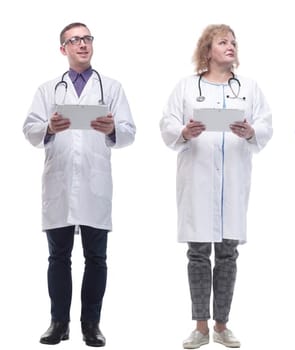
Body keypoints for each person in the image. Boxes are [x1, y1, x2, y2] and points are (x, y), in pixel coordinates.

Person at [160, 24, 273, 349]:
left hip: (234, 181)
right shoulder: (186, 87)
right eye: (223, 42)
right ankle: (200, 327)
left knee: (227, 254)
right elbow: (167, 123)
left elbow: (266, 124)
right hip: (197, 180)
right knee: (197, 254)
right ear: (207, 51)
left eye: (234, 41)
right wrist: (185, 131)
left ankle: (222, 326)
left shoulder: (248, 88)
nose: (231, 46)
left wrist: (251, 131)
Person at [22, 22, 136, 348]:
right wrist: (49, 127)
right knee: (58, 258)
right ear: (64, 49)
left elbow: (129, 131)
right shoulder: (48, 90)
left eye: (86, 38)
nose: (82, 44)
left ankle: (91, 324)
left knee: (96, 258)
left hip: (94, 183)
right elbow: (29, 129)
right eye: (75, 40)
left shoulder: (111, 88)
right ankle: (59, 323)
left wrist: (113, 128)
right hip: (58, 183)